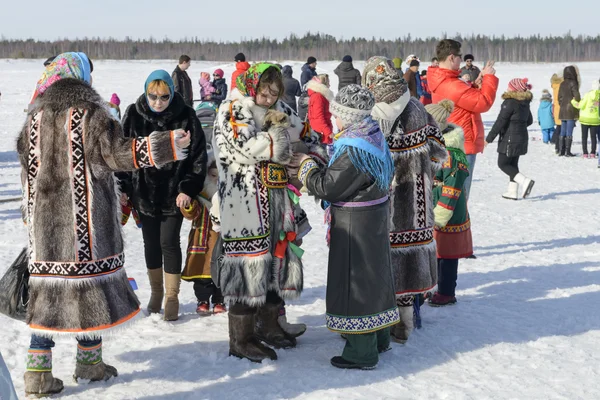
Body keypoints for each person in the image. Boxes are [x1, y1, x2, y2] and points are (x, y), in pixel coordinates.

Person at [17, 53, 190, 396]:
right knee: (89, 292)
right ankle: (90, 363)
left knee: (46, 296)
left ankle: (37, 374)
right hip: (87, 231)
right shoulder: (92, 115)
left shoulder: (33, 117)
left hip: (45, 230)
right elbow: (117, 154)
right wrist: (166, 145)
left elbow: (26, 170)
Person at [289, 84, 398, 370]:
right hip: (372, 218)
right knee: (375, 277)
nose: (334, 119)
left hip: (355, 225)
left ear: (349, 116)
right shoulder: (371, 135)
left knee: (355, 281)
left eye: (337, 114)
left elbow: (329, 187)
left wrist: (306, 166)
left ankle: (362, 351)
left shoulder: (353, 148)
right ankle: (378, 336)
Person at [213, 63, 307, 363]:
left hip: (274, 201)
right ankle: (240, 338)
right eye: (264, 93)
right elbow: (248, 147)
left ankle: (268, 324)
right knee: (247, 266)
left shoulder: (277, 107)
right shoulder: (233, 109)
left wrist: (305, 145)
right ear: (253, 87)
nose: (268, 99)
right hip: (244, 202)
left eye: (274, 94)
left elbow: (304, 131)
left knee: (275, 260)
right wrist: (277, 136)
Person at [362, 56, 447, 343]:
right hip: (416, 204)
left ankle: (379, 323)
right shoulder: (417, 108)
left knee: (381, 260)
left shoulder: (370, 113)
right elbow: (439, 152)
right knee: (411, 263)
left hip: (382, 202)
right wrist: (422, 170)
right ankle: (406, 323)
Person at [119, 70, 207, 321]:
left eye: (164, 96)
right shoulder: (134, 114)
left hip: (173, 194)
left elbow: (198, 157)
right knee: (151, 243)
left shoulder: (186, 114)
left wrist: (188, 188)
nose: (158, 102)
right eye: (153, 96)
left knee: (169, 242)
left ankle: (172, 295)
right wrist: (124, 187)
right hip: (143, 194)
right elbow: (123, 154)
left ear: (172, 92)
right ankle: (156, 292)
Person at [428, 39, 499, 200]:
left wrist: (476, 82)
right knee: (458, 199)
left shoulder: (446, 80)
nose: (461, 60)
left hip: (455, 142)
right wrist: (489, 78)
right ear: (452, 57)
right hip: (461, 145)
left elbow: (463, 98)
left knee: (451, 196)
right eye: (459, 56)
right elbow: (483, 103)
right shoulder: (451, 84)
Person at [425, 100, 473, 306]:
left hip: (448, 212)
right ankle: (434, 286)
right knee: (436, 252)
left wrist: (441, 214)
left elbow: (451, 188)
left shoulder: (451, 154)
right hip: (435, 208)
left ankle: (447, 291)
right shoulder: (435, 148)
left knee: (447, 255)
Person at [181, 155, 226, 315]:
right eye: (213, 175)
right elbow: (192, 213)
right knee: (201, 273)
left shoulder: (228, 196)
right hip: (202, 238)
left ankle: (219, 300)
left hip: (222, 240)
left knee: (221, 270)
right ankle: (203, 300)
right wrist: (188, 206)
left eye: (219, 176)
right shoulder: (201, 193)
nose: (216, 180)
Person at [485, 78, 534, 200]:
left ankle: (525, 181)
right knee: (513, 164)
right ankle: (512, 192)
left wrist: (488, 139)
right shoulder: (525, 102)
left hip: (510, 138)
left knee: (503, 164)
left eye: (509, 87)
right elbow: (529, 121)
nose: (507, 89)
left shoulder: (510, 102)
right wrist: (519, 126)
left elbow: (500, 122)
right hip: (521, 137)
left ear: (514, 89)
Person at [571, 79, 600, 158]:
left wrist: (573, 101)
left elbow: (580, 105)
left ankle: (585, 153)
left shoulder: (587, 95)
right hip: (595, 120)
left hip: (585, 119)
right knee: (593, 137)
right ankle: (593, 153)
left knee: (584, 137)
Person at [558, 65, 581, 157]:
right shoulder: (573, 83)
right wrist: (576, 103)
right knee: (569, 131)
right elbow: (577, 96)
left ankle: (561, 151)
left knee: (562, 130)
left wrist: (562, 104)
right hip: (570, 109)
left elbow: (559, 97)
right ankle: (568, 151)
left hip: (562, 109)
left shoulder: (562, 83)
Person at [307, 74, 334, 144]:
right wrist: (328, 132)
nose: (329, 85)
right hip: (321, 132)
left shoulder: (318, 95)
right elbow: (319, 117)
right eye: (328, 83)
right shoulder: (318, 97)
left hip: (321, 130)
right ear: (323, 84)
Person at [550, 72, 564, 153]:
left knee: (559, 127)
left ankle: (557, 146)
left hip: (556, 109)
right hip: (561, 108)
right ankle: (559, 147)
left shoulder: (554, 86)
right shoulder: (560, 86)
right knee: (561, 129)